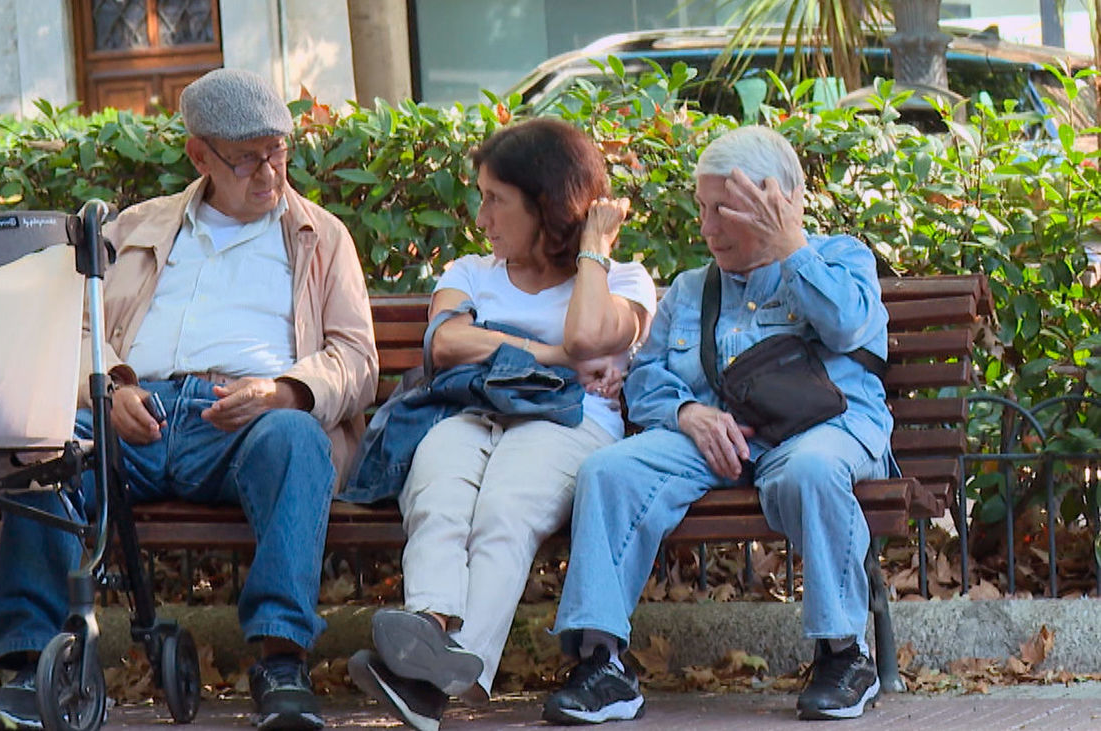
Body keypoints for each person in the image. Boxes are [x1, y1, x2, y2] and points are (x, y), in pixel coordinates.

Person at [0, 69, 378, 731]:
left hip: (244, 423)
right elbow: (76, 329)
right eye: (247, 157)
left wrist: (284, 391)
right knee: (43, 440)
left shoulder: (322, 236)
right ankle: (28, 667)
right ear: (199, 155)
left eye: (278, 151)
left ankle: (281, 662)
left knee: (298, 437)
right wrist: (108, 390)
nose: (270, 172)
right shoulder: (140, 227)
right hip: (134, 413)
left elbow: (356, 360)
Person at [542, 125, 892, 724]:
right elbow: (648, 378)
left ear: (771, 199)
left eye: (720, 209)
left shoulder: (840, 260)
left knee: (810, 470)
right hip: (716, 442)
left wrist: (791, 247)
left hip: (821, 431)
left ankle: (843, 653)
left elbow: (847, 326)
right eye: (702, 208)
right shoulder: (690, 290)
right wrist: (689, 413)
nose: (705, 227)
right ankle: (602, 664)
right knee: (609, 470)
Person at [347, 118, 657, 731]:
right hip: (469, 410)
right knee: (437, 495)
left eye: (496, 200)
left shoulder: (622, 281)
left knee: (504, 511)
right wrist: (551, 357)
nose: (482, 217)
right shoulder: (469, 272)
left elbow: (589, 333)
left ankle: (430, 681)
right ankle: (430, 629)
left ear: (546, 204)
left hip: (570, 420)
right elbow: (446, 342)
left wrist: (592, 251)